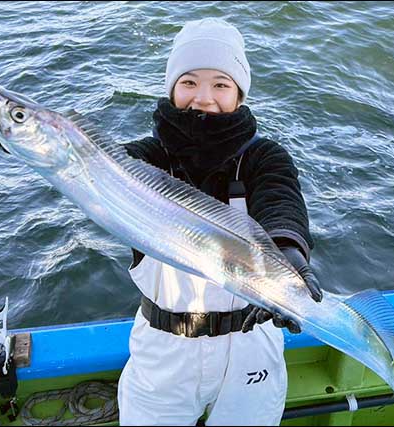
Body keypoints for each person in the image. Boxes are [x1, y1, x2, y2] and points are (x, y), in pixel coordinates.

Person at [117, 17, 322, 426]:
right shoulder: (143, 160)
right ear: (171, 88)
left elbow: (280, 203)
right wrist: (29, 145)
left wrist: (289, 257)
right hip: (162, 351)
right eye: (189, 82)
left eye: (221, 84)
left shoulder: (264, 158)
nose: (204, 98)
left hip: (251, 346)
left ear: (240, 95)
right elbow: (90, 170)